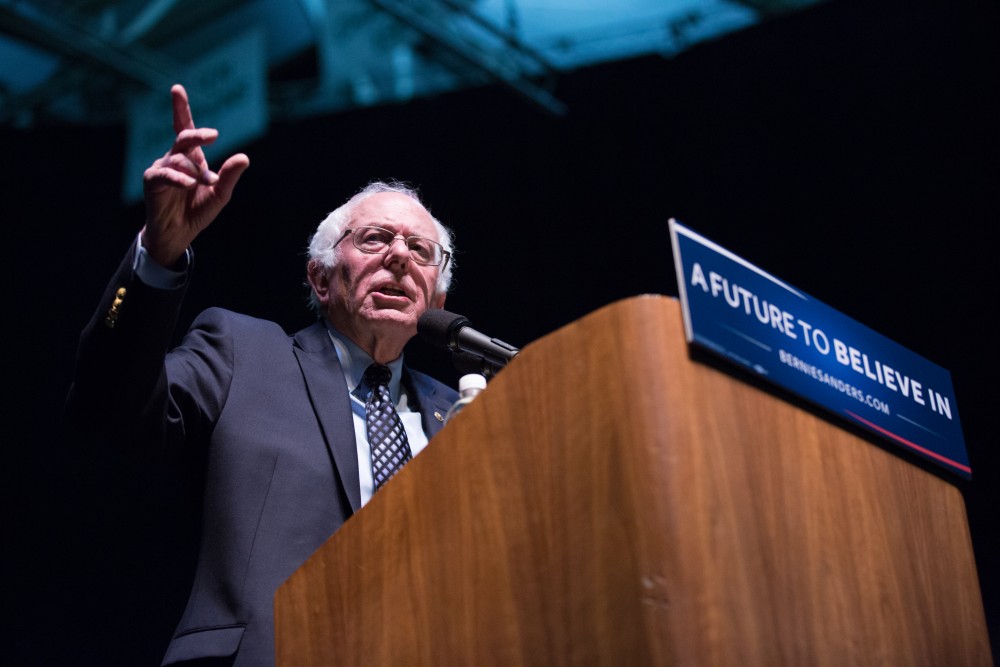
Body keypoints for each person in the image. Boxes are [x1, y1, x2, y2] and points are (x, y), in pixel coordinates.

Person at [65, 84, 460, 666]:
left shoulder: (465, 415)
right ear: (320, 280)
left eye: (420, 249)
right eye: (375, 239)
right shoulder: (243, 352)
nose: (400, 256)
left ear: (438, 295)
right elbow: (108, 409)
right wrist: (158, 255)